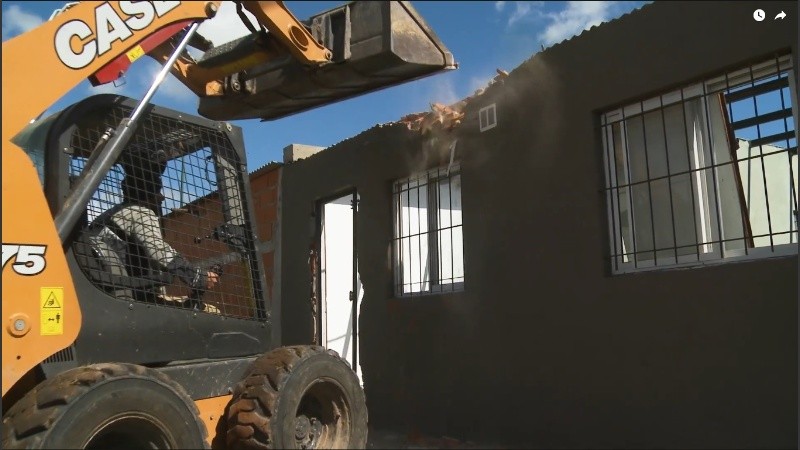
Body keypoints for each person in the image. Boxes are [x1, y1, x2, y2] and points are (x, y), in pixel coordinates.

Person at [92, 159, 219, 308]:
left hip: (107, 291)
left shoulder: (109, 215)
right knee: (210, 310)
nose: (162, 197)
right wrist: (198, 277)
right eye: (157, 192)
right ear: (146, 194)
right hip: (130, 298)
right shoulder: (141, 212)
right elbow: (158, 251)